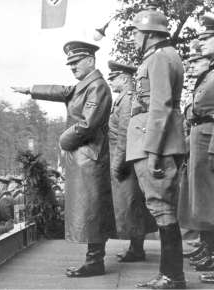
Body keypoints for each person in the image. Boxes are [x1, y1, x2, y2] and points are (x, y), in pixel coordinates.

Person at [12, 40, 116, 277]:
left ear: (90, 60)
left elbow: (88, 123)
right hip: (85, 156)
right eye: (70, 63)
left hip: (90, 156)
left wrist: (63, 140)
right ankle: (94, 260)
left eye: (76, 62)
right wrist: (30, 89)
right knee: (90, 209)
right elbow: (64, 91)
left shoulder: (97, 86)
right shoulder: (86, 85)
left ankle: (95, 262)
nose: (72, 67)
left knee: (93, 210)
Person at [126, 8, 186, 289]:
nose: (134, 37)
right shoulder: (163, 56)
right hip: (157, 142)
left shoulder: (161, 58)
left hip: (156, 145)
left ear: (149, 34)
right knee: (161, 208)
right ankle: (169, 275)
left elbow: (160, 105)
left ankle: (172, 276)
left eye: (136, 32)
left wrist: (152, 152)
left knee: (162, 209)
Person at [107, 60, 157, 262]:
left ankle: (137, 250)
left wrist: (118, 163)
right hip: (127, 158)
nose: (111, 82)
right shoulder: (122, 98)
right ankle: (135, 248)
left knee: (132, 205)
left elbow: (124, 135)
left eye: (113, 78)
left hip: (126, 160)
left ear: (123, 78)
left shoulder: (126, 99)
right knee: (131, 205)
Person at [179, 14, 214, 283]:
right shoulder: (208, 76)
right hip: (200, 136)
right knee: (202, 199)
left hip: (209, 137)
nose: (201, 44)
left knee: (209, 198)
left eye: (207, 39)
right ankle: (208, 249)